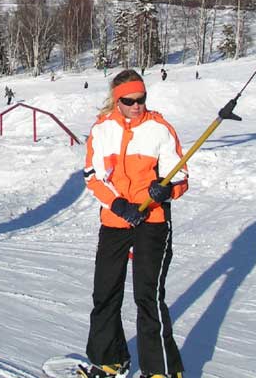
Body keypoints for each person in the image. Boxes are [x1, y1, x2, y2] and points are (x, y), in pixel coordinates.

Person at [80, 69, 188, 378]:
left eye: (141, 99)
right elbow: (93, 176)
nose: (137, 106)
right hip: (115, 220)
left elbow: (180, 175)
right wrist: (118, 204)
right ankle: (109, 359)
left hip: (152, 220)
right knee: (105, 292)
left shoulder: (159, 129)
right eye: (129, 101)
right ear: (117, 100)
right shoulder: (102, 130)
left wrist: (166, 189)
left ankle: (160, 371)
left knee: (147, 295)